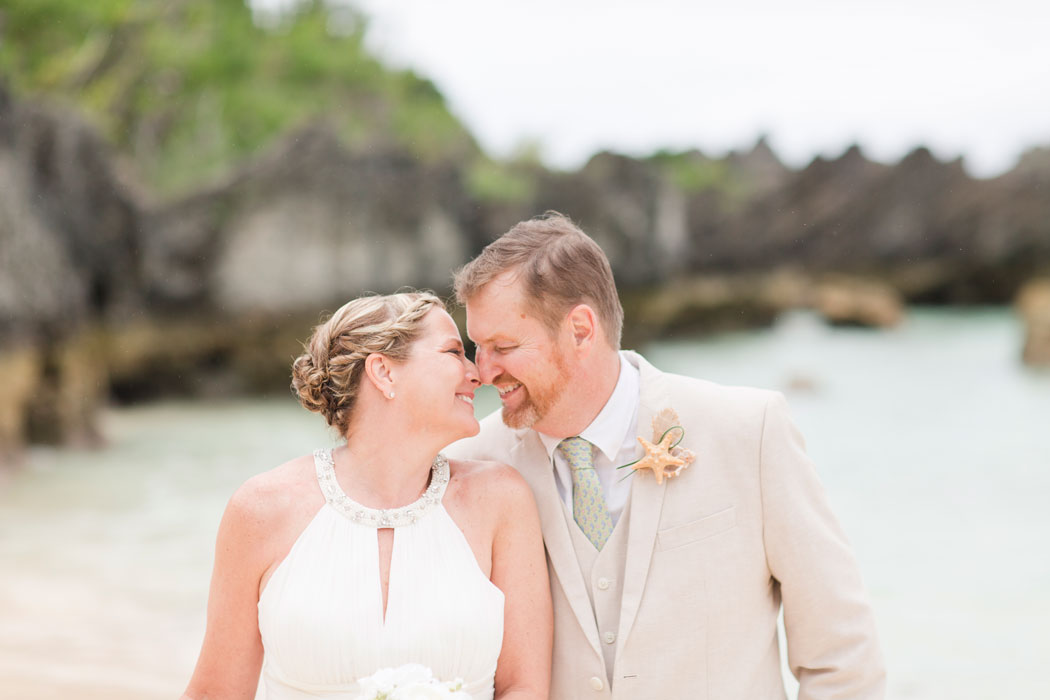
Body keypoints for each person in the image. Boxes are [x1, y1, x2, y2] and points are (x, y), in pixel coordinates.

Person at [445, 213, 885, 699]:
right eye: (476, 347)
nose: (483, 372)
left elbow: (842, 656)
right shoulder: (471, 464)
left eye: (503, 346)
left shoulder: (748, 431)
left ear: (582, 330)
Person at [181, 292, 552, 700]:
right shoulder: (261, 509)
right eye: (453, 352)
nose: (477, 373)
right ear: (384, 372)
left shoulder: (501, 501)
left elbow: (524, 687)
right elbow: (216, 692)